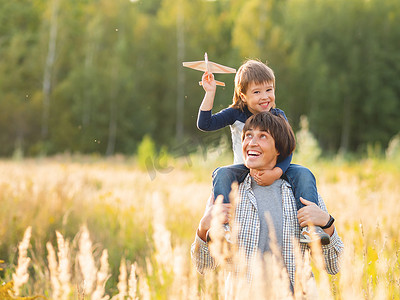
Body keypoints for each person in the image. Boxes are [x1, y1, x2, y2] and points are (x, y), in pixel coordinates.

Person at [191, 112, 344, 292]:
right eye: (248, 135)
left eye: (262, 136)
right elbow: (204, 267)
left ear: (279, 149)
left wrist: (327, 223)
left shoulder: (302, 194)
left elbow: (334, 265)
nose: (252, 142)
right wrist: (203, 229)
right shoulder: (228, 193)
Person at [197, 59, 328, 244]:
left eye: (269, 90)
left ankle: (311, 228)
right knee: (221, 173)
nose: (265, 96)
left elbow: (288, 147)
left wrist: (277, 172)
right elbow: (205, 124)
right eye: (257, 92)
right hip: (243, 167)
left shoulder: (278, 116)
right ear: (243, 96)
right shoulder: (235, 113)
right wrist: (210, 93)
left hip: (276, 165)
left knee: (304, 173)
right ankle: (222, 226)